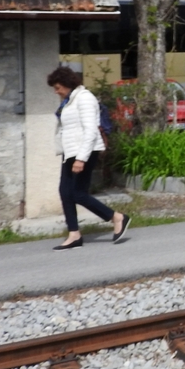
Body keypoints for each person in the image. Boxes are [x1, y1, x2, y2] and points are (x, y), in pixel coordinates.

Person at [47, 66, 130, 250]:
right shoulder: (69, 100)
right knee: (65, 191)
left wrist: (81, 159)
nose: (56, 91)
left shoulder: (84, 98)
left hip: (84, 152)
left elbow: (91, 130)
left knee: (77, 193)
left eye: (58, 87)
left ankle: (117, 217)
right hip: (70, 152)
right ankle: (74, 234)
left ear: (68, 84)